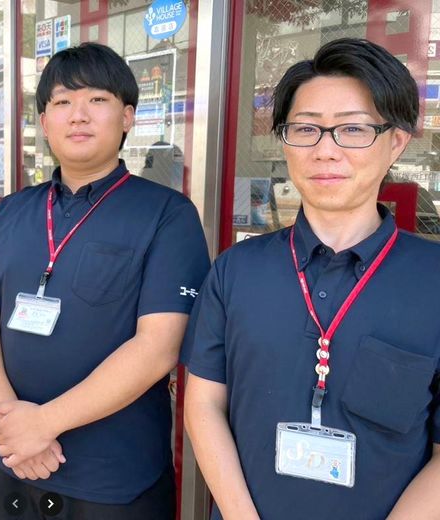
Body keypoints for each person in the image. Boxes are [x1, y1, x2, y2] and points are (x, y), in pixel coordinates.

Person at [181, 38, 440, 519]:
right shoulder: (236, 271)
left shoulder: (433, 280)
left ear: (396, 142)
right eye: (306, 129)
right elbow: (204, 405)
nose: (325, 150)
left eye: (353, 129)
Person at [0, 43, 210, 519]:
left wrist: (44, 424)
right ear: (44, 121)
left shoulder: (166, 214)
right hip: (12, 464)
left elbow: (158, 346)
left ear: (127, 116)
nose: (78, 115)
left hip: (113, 479)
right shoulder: (11, 212)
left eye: (97, 99)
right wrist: (10, 420)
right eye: (62, 102)